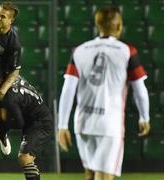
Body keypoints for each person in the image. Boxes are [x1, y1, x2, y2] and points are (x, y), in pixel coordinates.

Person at [57, 6, 150, 180]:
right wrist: (144, 117)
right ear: (119, 25)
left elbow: (68, 89)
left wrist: (62, 125)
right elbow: (139, 89)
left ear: (97, 24)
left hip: (83, 124)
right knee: (104, 177)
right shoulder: (126, 51)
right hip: (109, 125)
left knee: (90, 175)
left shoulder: (80, 50)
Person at [0, 60, 54, 180]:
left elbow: (20, 123)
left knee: (25, 158)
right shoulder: (9, 76)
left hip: (40, 122)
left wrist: (3, 127)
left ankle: (2, 131)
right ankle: (2, 132)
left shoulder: (10, 97)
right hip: (31, 116)